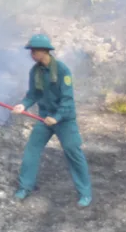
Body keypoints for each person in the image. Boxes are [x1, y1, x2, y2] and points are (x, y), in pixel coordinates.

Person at [11, 33, 92, 207]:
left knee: (73, 153)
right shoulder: (35, 71)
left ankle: (85, 193)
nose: (31, 54)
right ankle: (25, 187)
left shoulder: (63, 71)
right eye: (31, 51)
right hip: (44, 118)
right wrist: (23, 106)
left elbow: (67, 100)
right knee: (31, 150)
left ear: (44, 51)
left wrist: (56, 118)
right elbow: (33, 94)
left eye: (34, 51)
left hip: (64, 120)